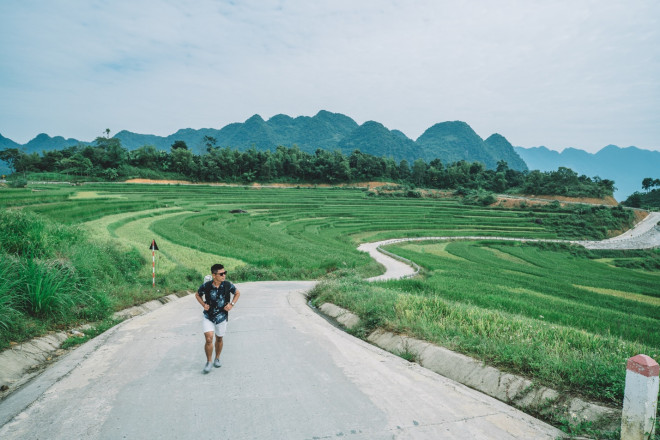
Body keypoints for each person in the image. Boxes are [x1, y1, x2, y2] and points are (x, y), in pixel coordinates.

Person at [195, 264, 240, 374]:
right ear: (214, 275)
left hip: (222, 317)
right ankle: (209, 362)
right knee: (209, 338)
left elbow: (237, 293)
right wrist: (203, 305)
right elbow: (197, 295)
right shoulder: (206, 286)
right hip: (208, 316)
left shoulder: (228, 285)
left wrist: (231, 304)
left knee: (219, 339)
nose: (224, 275)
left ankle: (217, 358)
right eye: (221, 274)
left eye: (225, 273)